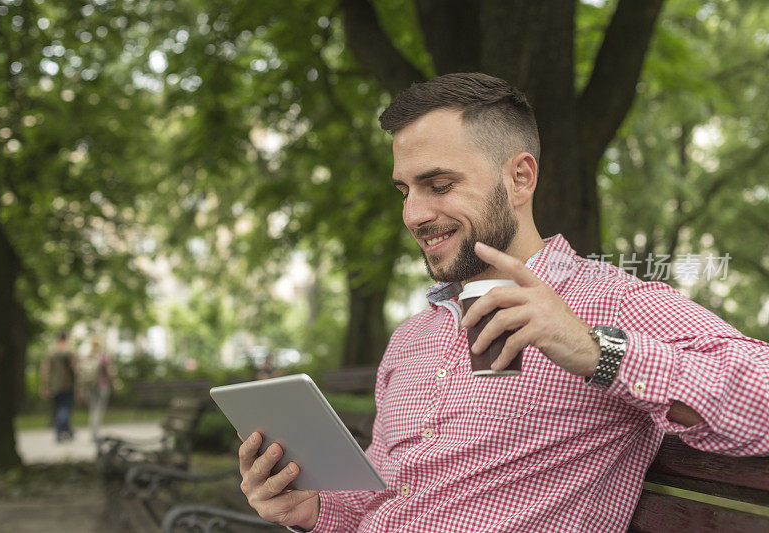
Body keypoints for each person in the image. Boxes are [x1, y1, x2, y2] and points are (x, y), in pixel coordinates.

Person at [238, 73, 769, 531]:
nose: (414, 215)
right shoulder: (412, 339)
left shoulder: (610, 302)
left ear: (520, 177)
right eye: (405, 191)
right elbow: (381, 500)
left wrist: (595, 351)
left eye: (439, 184)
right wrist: (313, 509)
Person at [40, 331, 77, 442]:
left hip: (54, 386)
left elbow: (45, 369)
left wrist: (44, 385)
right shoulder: (69, 351)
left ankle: (65, 431)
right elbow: (74, 368)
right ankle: (61, 430)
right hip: (67, 385)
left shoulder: (51, 352)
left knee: (58, 409)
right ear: (66, 338)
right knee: (65, 409)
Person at [78, 338, 115, 439]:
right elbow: (109, 371)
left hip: (89, 386)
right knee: (99, 409)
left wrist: (81, 388)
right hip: (102, 385)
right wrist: (115, 382)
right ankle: (95, 433)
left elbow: (80, 373)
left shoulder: (86, 356)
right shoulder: (103, 356)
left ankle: (93, 432)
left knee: (93, 409)